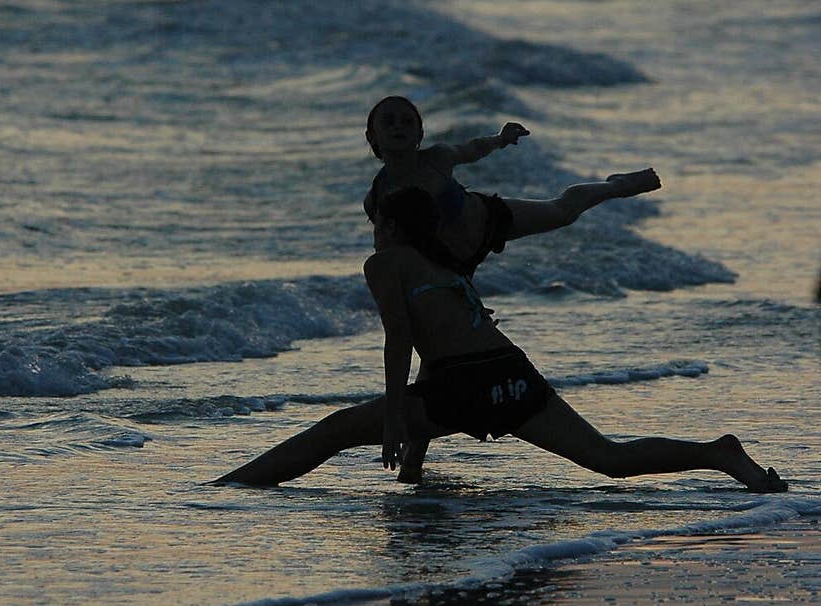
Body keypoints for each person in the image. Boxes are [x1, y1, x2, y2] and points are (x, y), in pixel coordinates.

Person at [210, 186, 787, 495]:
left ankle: (226, 490)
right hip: (507, 372)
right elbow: (438, 366)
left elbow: (402, 343)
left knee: (335, 431)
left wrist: (394, 424)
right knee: (606, 459)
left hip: (469, 382)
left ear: (387, 226)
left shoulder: (385, 263)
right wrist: (413, 454)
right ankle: (718, 454)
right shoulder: (447, 265)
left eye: (375, 221)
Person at [363, 95, 660, 278]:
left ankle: (617, 185)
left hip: (488, 219)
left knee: (563, 211)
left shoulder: (437, 158)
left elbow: (472, 148)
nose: (398, 126)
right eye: (388, 122)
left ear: (420, 133)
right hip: (450, 262)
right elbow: (387, 252)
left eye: (406, 121)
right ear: (372, 136)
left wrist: (501, 138)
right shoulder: (378, 196)